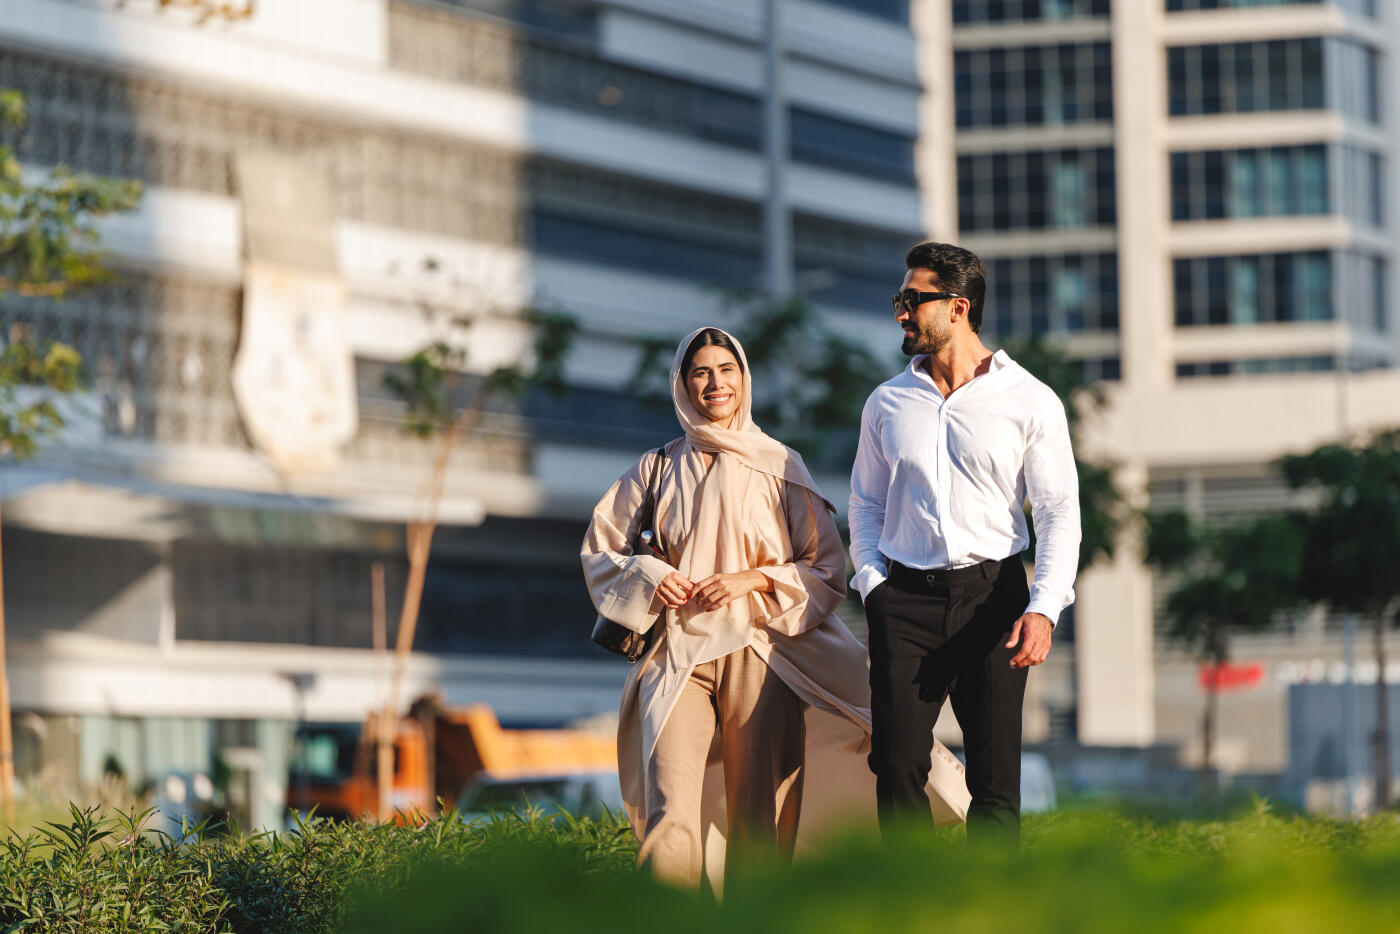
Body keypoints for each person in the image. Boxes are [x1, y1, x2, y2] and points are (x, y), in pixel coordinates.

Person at [582, 326, 968, 892]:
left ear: (744, 379)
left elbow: (826, 570)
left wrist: (751, 579)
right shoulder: (655, 467)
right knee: (669, 811)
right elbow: (601, 547)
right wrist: (651, 575)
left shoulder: (782, 464)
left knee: (760, 819)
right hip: (677, 657)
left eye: (726, 370)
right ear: (682, 385)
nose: (715, 383)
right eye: (701, 372)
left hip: (764, 654)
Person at [849, 242, 1080, 846]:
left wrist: (1044, 608)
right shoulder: (886, 403)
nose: (900, 312)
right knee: (896, 767)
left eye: (911, 300)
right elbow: (865, 505)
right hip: (904, 601)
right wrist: (873, 585)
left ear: (957, 307)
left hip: (994, 600)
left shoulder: (1030, 400)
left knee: (995, 780)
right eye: (899, 300)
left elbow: (1058, 512)